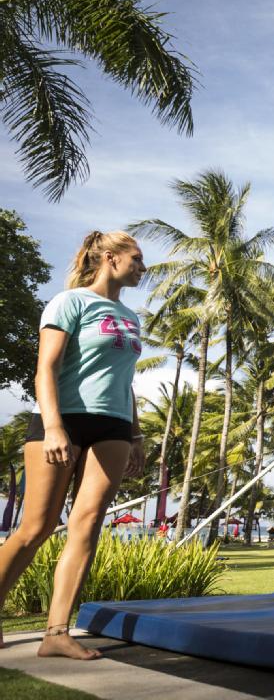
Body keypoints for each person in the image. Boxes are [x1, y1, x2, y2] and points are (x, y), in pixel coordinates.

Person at [0, 231, 147, 658]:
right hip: (63, 419)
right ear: (108, 257)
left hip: (114, 426)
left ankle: (56, 634)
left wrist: (135, 434)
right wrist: (54, 427)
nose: (142, 267)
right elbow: (45, 368)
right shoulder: (71, 302)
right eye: (136, 259)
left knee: (87, 526)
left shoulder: (131, 317)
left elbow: (125, 380)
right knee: (36, 528)